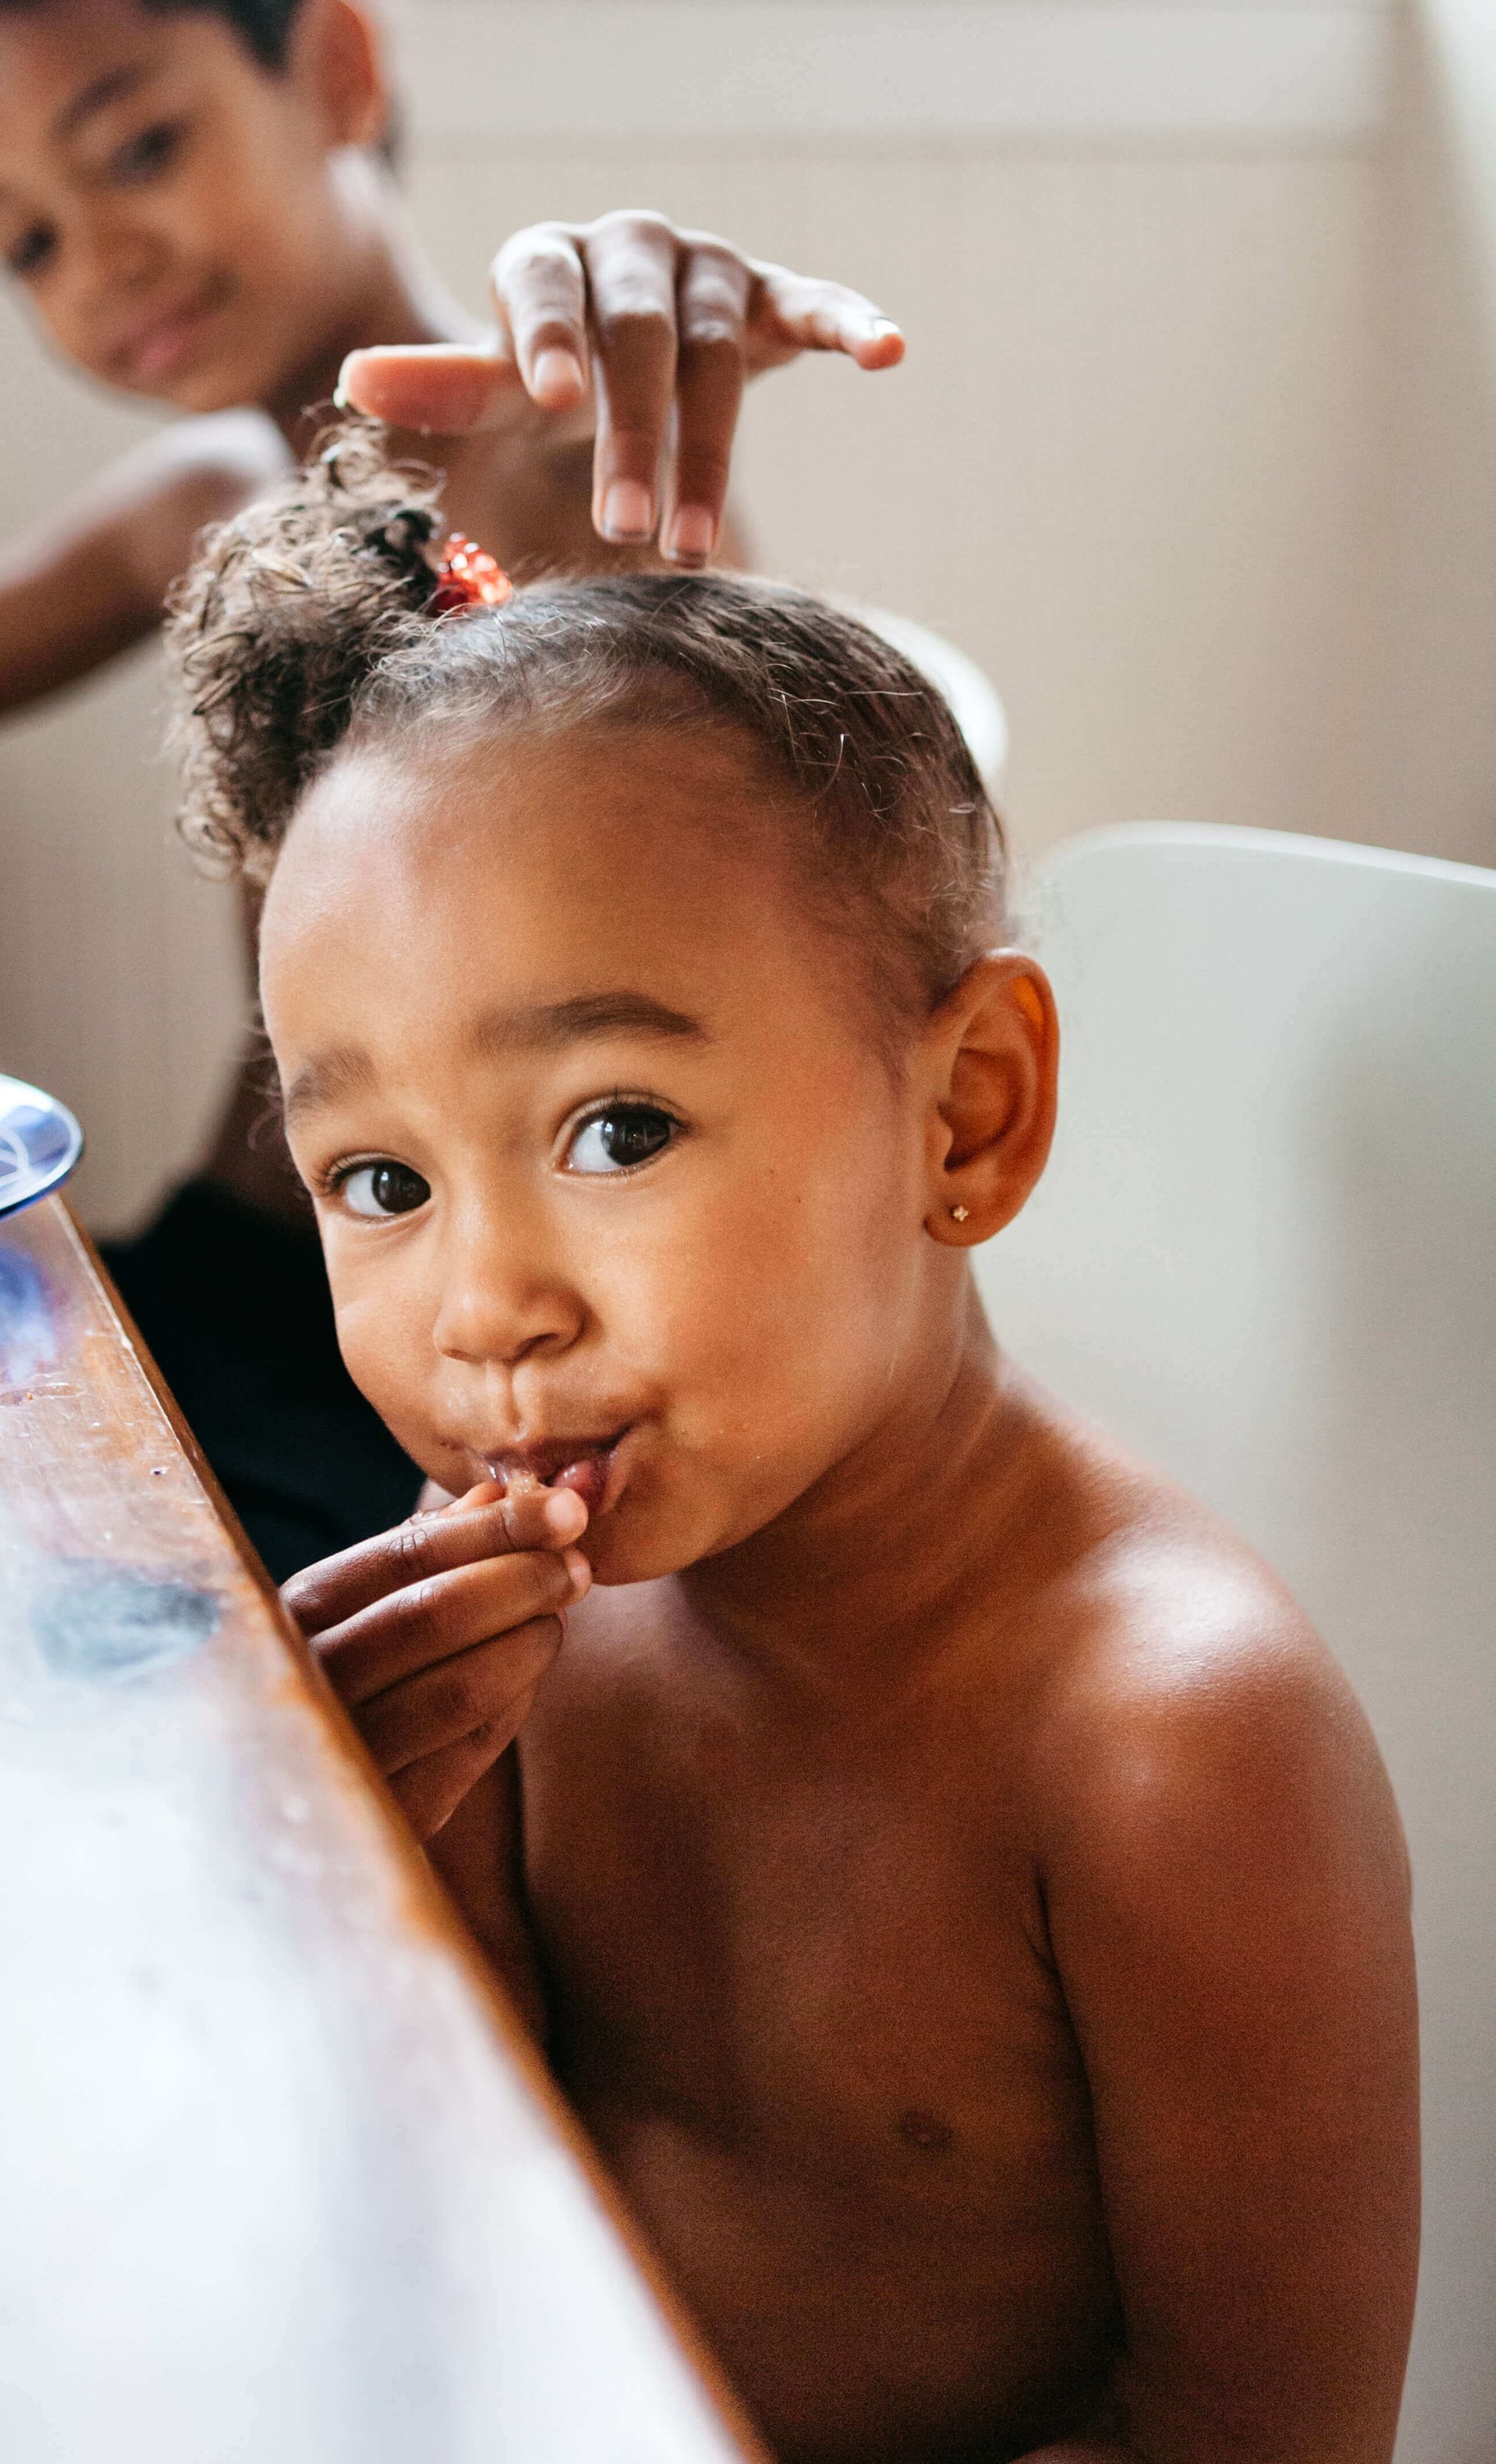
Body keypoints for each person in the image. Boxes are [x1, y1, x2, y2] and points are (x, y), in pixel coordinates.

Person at [164, 432, 1421, 2464]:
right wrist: (356, 1873)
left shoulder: (1167, 1741)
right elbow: (460, 2199)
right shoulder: (512, 1601)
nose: (484, 1305)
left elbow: (1258, 2437)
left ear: (965, 1114)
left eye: (613, 1132)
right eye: (379, 1180)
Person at [0, 0, 903, 1576]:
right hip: (237, 1276)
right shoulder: (202, 506)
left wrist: (609, 427)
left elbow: (720, 795)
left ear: (334, 68)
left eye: (139, 146)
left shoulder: (567, 467)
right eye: (24, 238)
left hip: (445, 1362)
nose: (101, 256)